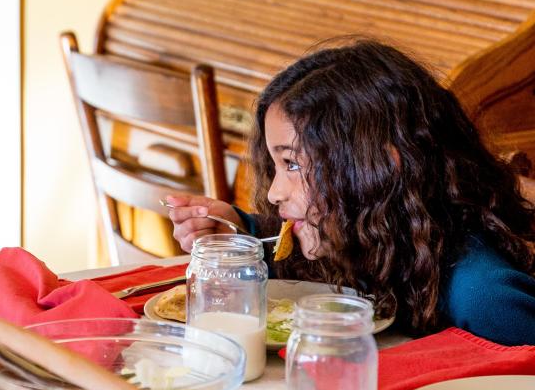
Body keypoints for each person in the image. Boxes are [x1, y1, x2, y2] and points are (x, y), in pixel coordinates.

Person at [167, 40, 535, 345]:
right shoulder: (378, 235)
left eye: (292, 164)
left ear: (382, 165)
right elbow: (311, 261)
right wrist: (243, 233)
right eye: (275, 166)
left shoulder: (484, 297)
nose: (276, 191)